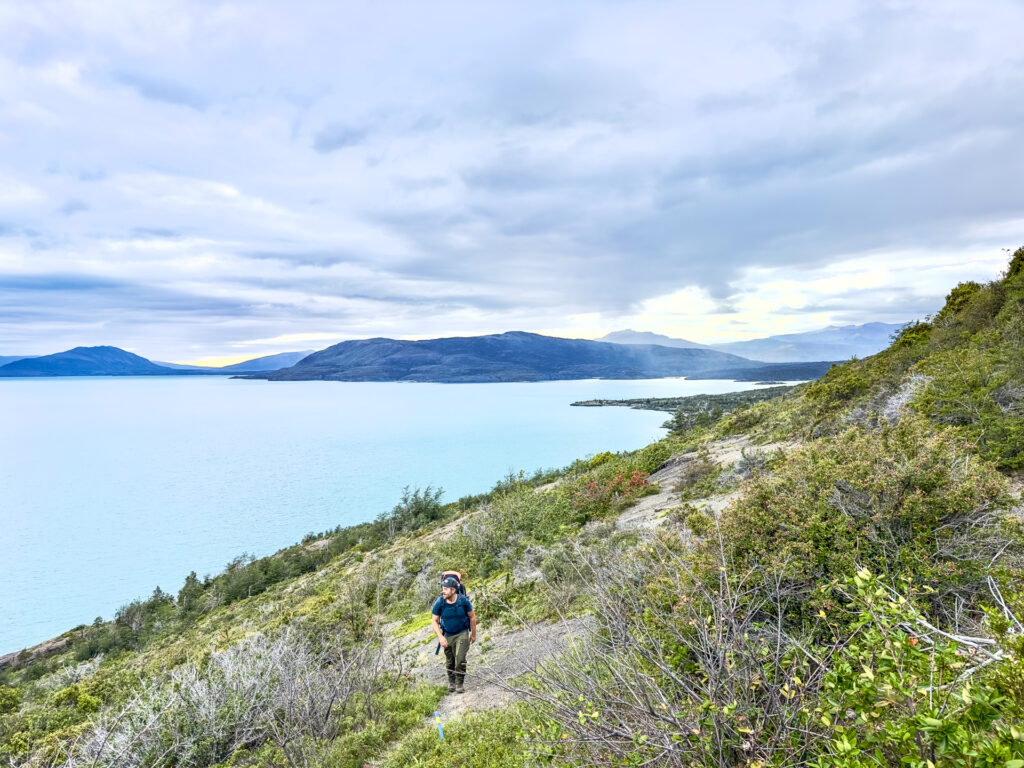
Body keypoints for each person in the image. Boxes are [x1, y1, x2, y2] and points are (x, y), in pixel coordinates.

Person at [431, 576, 476, 693]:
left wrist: (473, 634)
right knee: (450, 660)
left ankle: (459, 683)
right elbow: (434, 620)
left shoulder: (463, 601)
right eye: (443, 588)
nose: (443, 591)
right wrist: (440, 637)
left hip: (462, 632)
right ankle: (451, 681)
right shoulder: (440, 602)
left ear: (453, 590)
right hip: (447, 634)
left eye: (446, 589)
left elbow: (472, 616)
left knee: (460, 659)